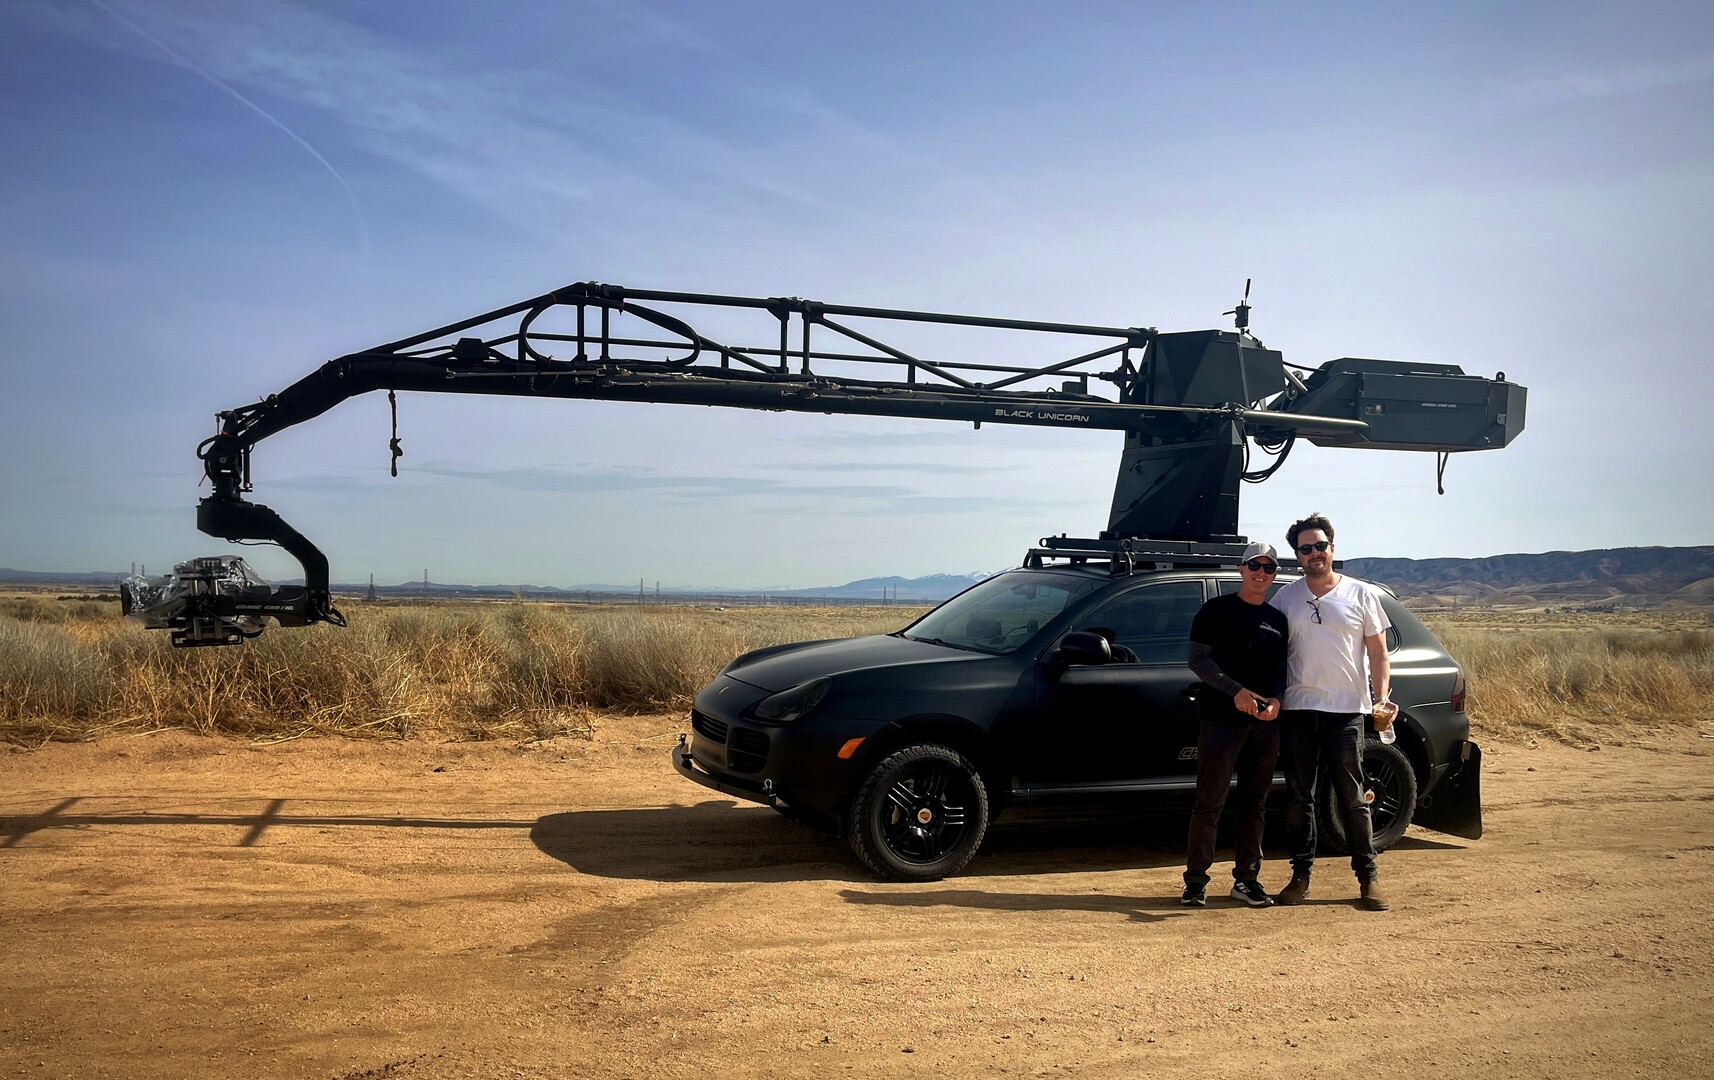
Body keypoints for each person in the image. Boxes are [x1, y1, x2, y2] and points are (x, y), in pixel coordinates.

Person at [1272, 513, 1394, 912]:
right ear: (1298, 556)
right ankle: (1300, 875)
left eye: (1319, 546)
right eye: (1305, 549)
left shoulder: (1361, 595)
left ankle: (1368, 878)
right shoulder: (1285, 598)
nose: (1313, 554)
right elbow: (1268, 650)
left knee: (1353, 797)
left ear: (1332, 548)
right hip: (1299, 709)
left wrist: (1381, 697)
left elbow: (1377, 652)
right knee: (1298, 798)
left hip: (1346, 711)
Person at [1180, 541, 1289, 908]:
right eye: (1254, 566)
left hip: (1264, 725)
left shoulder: (1277, 620)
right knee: (1209, 802)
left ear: (1274, 575)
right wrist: (1235, 692)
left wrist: (1275, 699)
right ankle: (1195, 883)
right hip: (1221, 722)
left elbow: (1279, 668)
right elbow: (1198, 659)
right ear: (1242, 570)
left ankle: (1246, 881)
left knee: (1255, 805)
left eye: (1268, 568)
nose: (1261, 573)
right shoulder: (1215, 610)